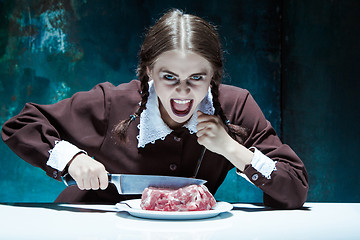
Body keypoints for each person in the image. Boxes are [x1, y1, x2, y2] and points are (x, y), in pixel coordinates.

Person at [1, 9, 308, 209]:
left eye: (197, 78)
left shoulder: (235, 107)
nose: (183, 90)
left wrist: (232, 149)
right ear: (149, 71)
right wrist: (72, 159)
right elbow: (21, 124)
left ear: (213, 75)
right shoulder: (114, 102)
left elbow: (294, 188)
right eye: (169, 77)